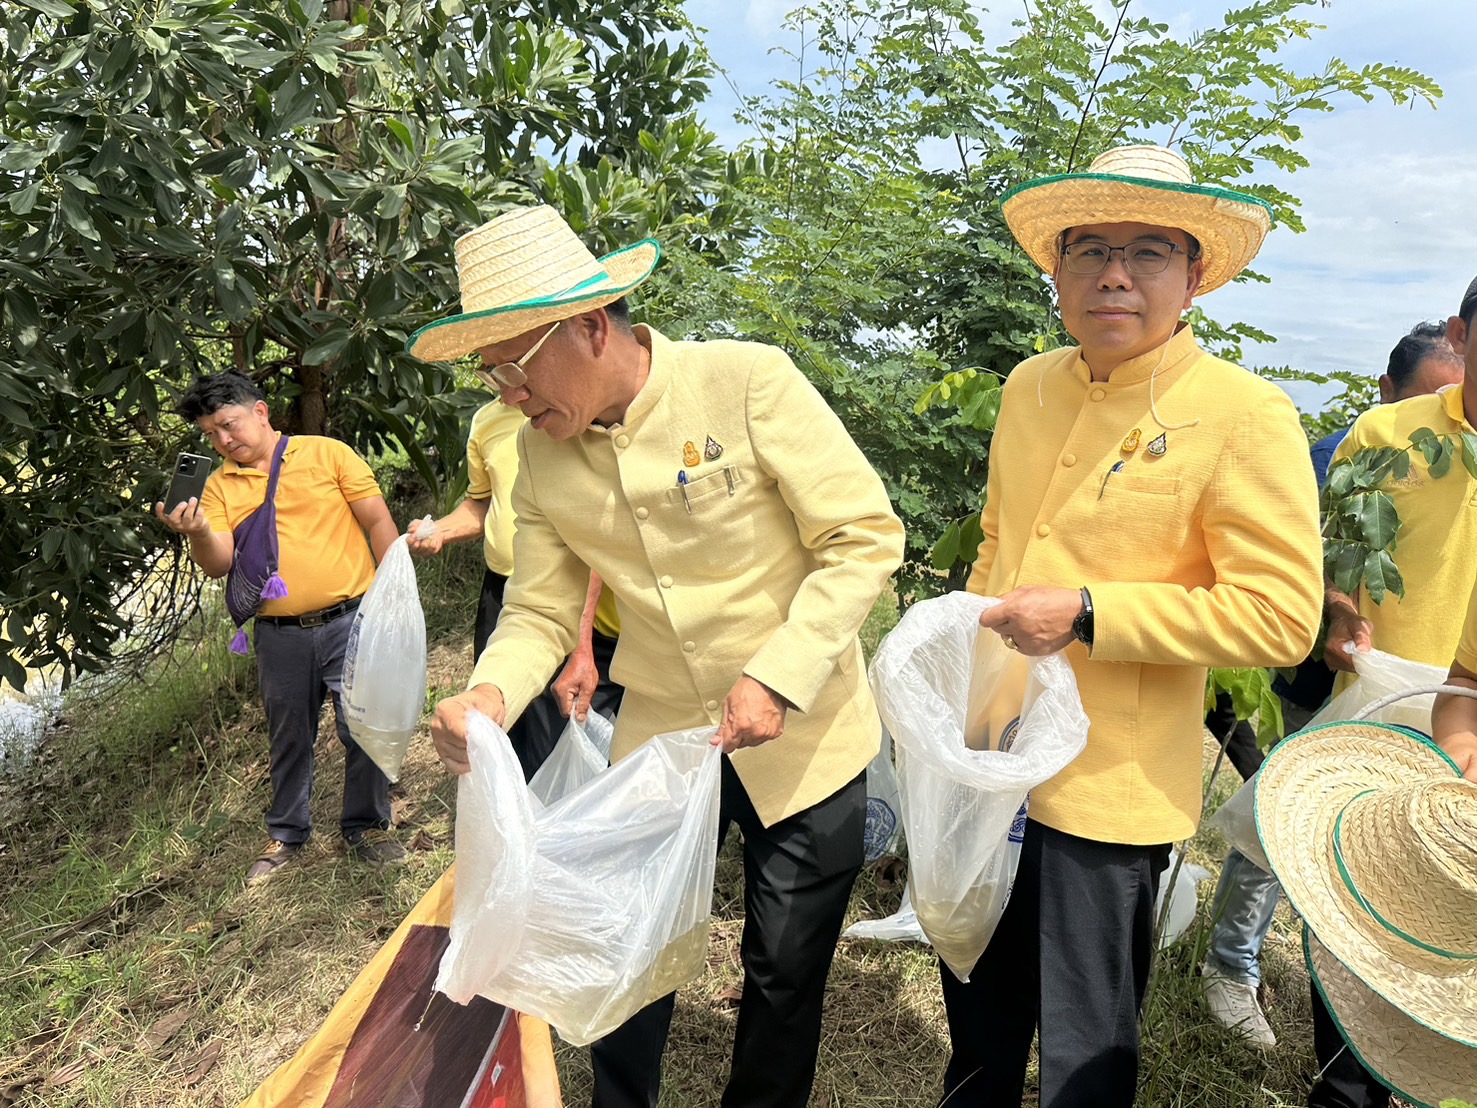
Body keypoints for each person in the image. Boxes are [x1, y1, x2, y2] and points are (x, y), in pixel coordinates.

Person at [408, 204, 905, 1107]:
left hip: (809, 731)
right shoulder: (538, 452)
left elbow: (862, 537)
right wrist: (487, 693)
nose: (509, 396)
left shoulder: (744, 382)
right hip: (662, 729)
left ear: (592, 327)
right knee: (624, 939)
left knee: (783, 967)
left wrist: (778, 674)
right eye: (492, 377)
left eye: (515, 370)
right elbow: (541, 607)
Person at [942, 145, 1324, 1108]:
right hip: (993, 744)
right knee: (978, 1012)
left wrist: (1087, 611)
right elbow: (999, 539)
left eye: (1149, 250)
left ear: (1195, 275)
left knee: (1084, 1052)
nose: (1114, 273)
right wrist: (959, 675)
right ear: (1055, 270)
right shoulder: (1029, 385)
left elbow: (1278, 615)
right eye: (1089, 249)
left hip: (1108, 785)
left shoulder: (1242, 413)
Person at [1201, 317, 1466, 1048]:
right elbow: (1309, 550)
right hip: (1350, 677)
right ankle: (1233, 966)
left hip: (1455, 697)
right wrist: (1338, 611)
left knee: (1414, 859)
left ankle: (1390, 1017)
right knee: (1294, 826)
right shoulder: (1370, 443)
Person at [154, 372, 404, 882]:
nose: (224, 440)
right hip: (278, 633)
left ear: (261, 412)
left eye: (230, 424)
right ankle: (287, 833)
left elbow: (378, 522)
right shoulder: (219, 486)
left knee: (361, 725)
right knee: (289, 735)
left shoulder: (326, 454)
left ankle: (367, 825)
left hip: (352, 617)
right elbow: (219, 563)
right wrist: (199, 529)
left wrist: (396, 597)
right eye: (210, 434)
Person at [1255, 714, 1476, 1108]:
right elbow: (1465, 680)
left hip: (1460, 917)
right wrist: (1462, 754)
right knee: (1349, 1081)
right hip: (1445, 829)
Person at [405, 399, 623, 780]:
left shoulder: (572, 416)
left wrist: (583, 639)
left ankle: (547, 805)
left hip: (568, 591)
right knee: (503, 705)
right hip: (505, 589)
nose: (505, 384)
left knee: (553, 724)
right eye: (487, 368)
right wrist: (442, 529)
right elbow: (481, 503)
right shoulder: (487, 421)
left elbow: (593, 536)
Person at [1307, 319, 1462, 485]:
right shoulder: (1332, 456)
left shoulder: (1466, 461)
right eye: (1424, 405)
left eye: (1459, 405)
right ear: (1387, 390)